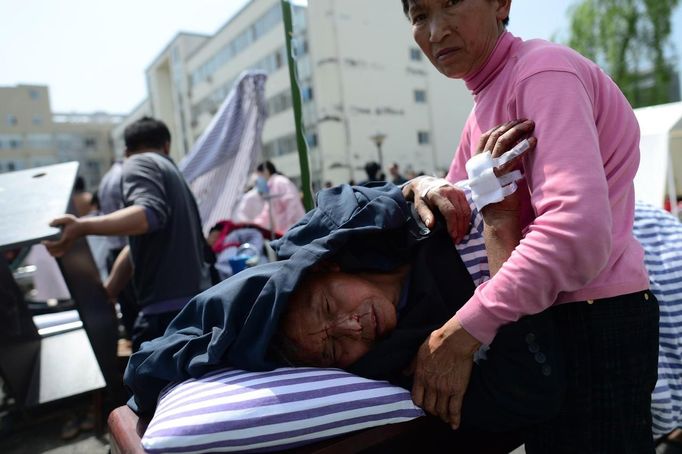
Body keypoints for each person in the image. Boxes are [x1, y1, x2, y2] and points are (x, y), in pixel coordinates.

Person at [399, 1, 657, 452]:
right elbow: (465, 228)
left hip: (592, 319)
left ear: (501, 3)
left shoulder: (541, 71)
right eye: (420, 16)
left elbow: (574, 232)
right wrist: (422, 186)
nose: (437, 31)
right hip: (543, 320)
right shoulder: (483, 105)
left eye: (451, 3)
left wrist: (462, 333)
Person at [45, 117, 213, 351]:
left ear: (126, 151)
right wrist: (112, 288)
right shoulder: (171, 171)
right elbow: (139, 240)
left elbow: (147, 215)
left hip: (166, 317)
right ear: (167, 145)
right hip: (191, 306)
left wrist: (82, 227)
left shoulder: (139, 162)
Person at [97, 160, 138, 340]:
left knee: (130, 317)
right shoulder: (127, 175)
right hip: (127, 251)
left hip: (115, 251)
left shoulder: (107, 178)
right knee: (139, 313)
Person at [251, 161, 305, 235]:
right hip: (285, 231)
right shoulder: (272, 186)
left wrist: (289, 228)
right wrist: (254, 224)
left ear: (266, 172)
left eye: (259, 176)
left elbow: (292, 205)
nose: (258, 180)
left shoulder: (280, 182)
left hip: (294, 229)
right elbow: (267, 212)